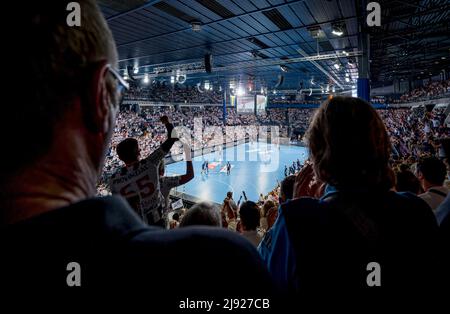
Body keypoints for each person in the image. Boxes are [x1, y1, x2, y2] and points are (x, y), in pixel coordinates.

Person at [1, 1, 274, 309]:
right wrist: (174, 131)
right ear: (100, 98)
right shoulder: (221, 260)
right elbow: (172, 149)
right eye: (117, 90)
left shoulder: (115, 180)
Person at [259, 97, 439, 303]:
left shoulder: (297, 219)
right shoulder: (416, 211)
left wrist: (298, 205)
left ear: (319, 153)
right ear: (381, 145)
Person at [110, 123, 177, 226]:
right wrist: (167, 122)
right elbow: (172, 138)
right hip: (157, 222)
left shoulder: (114, 180)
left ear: (120, 158)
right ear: (138, 153)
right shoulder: (150, 163)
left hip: (134, 225)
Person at [159, 142, 194, 213]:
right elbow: (190, 175)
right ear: (162, 171)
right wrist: (188, 155)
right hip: (161, 219)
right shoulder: (164, 181)